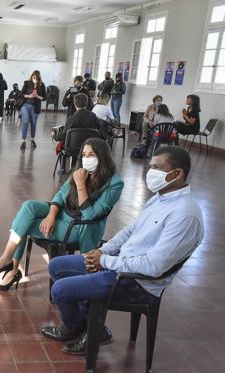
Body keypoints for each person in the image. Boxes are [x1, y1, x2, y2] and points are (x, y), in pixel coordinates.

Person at [41, 146, 203, 355]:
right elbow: (130, 230)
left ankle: (78, 328)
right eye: (150, 166)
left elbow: (153, 267)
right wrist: (103, 251)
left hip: (136, 282)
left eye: (156, 168)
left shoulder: (185, 215)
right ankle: (90, 328)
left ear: (178, 173)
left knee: (60, 290)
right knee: (57, 266)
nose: (149, 172)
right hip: (119, 263)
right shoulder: (161, 197)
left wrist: (106, 262)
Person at [0, 138, 124, 291]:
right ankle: (7, 258)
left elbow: (90, 215)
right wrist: (51, 215)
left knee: (25, 223)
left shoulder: (114, 183)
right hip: (64, 215)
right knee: (29, 207)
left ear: (102, 157)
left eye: (91, 155)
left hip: (79, 226)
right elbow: (60, 195)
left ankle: (12, 268)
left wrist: (80, 185)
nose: (86, 159)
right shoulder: (80, 172)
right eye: (84, 155)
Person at [19, 70, 46, 150]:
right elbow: (21, 94)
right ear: (31, 77)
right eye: (33, 77)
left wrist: (37, 96)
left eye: (36, 78)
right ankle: (23, 141)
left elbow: (44, 98)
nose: (35, 79)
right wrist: (29, 96)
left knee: (33, 123)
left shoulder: (42, 85)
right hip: (25, 105)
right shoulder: (26, 83)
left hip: (35, 106)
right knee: (25, 122)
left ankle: (32, 140)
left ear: (39, 78)